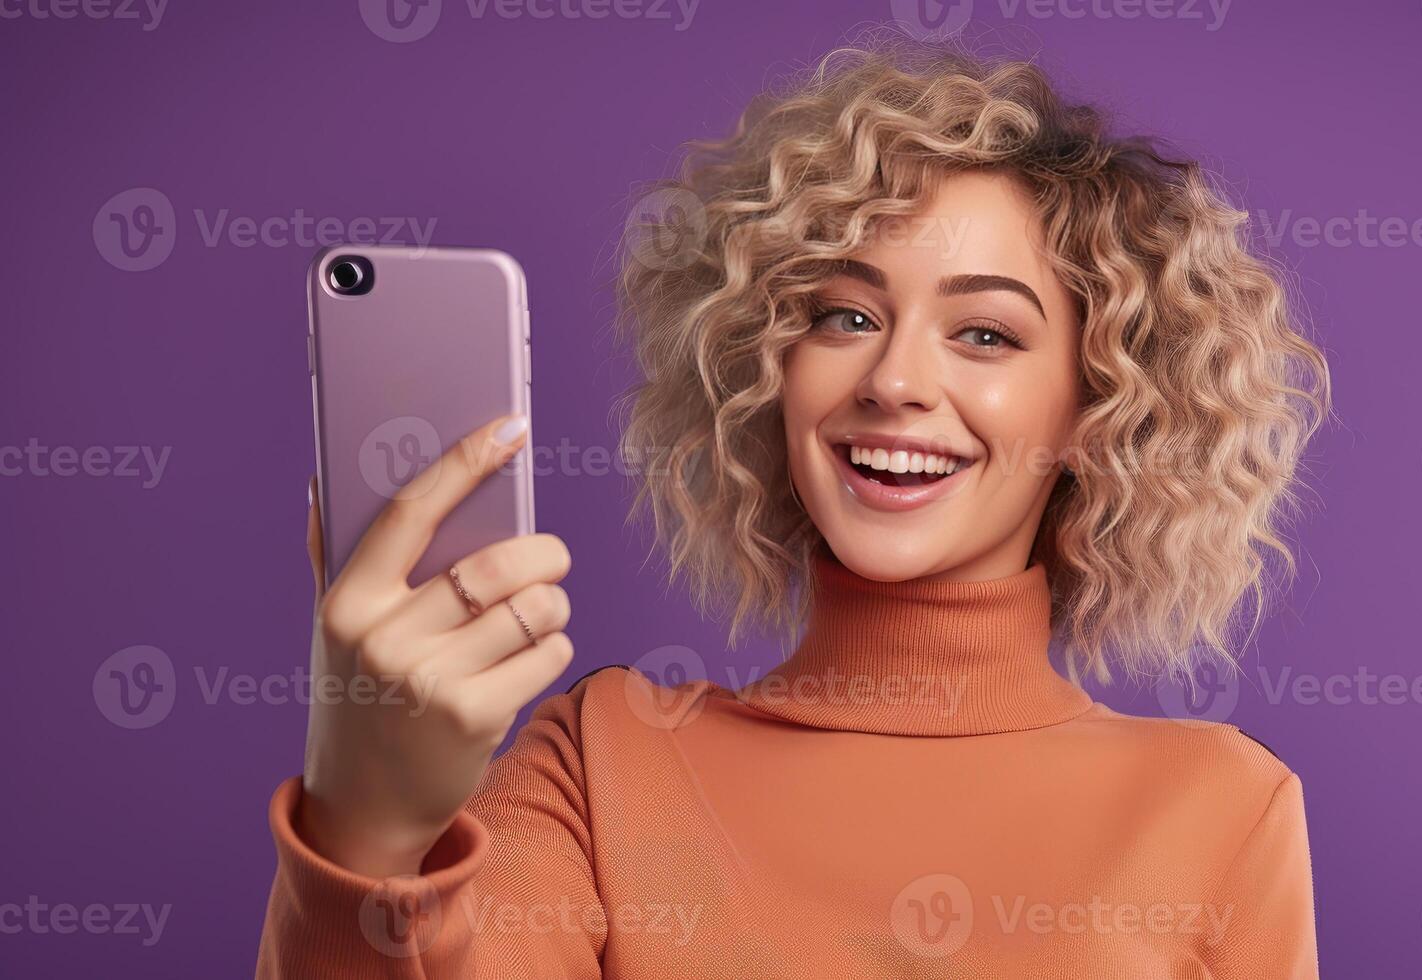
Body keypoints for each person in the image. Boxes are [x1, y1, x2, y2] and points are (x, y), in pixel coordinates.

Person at [257, 38, 1331, 978]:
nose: (894, 377)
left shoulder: (1222, 806)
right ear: (766, 370)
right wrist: (368, 820)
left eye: (986, 333)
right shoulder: (605, 763)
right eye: (844, 314)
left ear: (1100, 405)